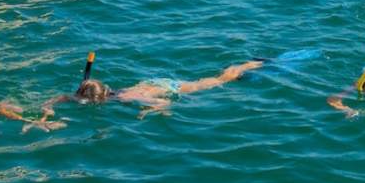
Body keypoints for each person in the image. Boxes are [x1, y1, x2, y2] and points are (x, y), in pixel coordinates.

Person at [27, 59, 265, 131]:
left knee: (220, 80)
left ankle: (248, 65)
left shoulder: (125, 98)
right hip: (149, 82)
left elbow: (163, 103)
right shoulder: (101, 93)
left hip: (168, 88)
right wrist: (47, 109)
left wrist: (148, 112)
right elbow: (61, 97)